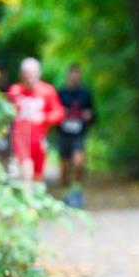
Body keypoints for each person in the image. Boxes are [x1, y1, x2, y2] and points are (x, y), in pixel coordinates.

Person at [7, 57, 64, 183]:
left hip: (39, 138)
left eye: (32, 73)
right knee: (27, 170)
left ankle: (34, 197)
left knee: (38, 175)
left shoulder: (47, 91)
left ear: (39, 74)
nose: (29, 77)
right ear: (21, 75)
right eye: (26, 74)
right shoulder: (15, 91)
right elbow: (6, 114)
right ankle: (28, 197)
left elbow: (59, 113)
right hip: (21, 138)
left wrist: (44, 118)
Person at [57, 65, 96, 208]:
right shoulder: (60, 93)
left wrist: (88, 116)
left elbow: (94, 115)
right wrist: (62, 114)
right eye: (71, 75)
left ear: (80, 77)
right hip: (64, 134)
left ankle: (77, 191)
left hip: (79, 134)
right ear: (68, 76)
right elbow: (54, 113)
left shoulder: (85, 93)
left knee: (79, 162)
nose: (74, 78)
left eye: (76, 75)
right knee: (65, 167)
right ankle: (66, 193)